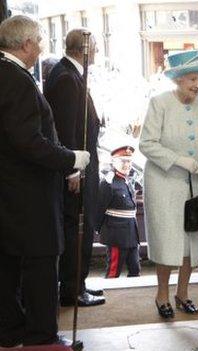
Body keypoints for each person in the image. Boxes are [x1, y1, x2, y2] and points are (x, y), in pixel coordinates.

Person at [0, 15, 91, 347]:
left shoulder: (8, 74)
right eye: (39, 40)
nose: (41, 47)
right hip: (27, 193)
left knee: (8, 265)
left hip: (12, 191)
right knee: (40, 263)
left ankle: (10, 331)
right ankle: (42, 338)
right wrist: (71, 158)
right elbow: (28, 141)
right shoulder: (16, 80)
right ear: (25, 44)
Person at [139, 50, 198, 319]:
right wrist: (179, 160)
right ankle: (161, 294)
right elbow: (146, 144)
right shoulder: (159, 102)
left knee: (191, 240)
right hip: (163, 183)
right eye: (191, 80)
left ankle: (183, 293)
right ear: (177, 80)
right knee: (168, 242)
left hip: (194, 182)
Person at [44, 27, 105, 307]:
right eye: (95, 48)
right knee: (77, 227)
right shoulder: (67, 78)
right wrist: (74, 170)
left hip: (81, 164)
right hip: (76, 169)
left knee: (81, 225)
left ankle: (76, 284)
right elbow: (66, 130)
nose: (97, 53)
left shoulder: (68, 73)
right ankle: (72, 288)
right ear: (85, 50)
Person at [96, 145, 141, 279]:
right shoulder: (108, 183)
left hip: (131, 233)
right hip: (116, 235)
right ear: (114, 162)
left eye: (129, 161)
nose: (127, 165)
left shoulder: (127, 182)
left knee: (135, 270)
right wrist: (99, 229)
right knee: (113, 272)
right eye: (123, 161)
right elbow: (99, 209)